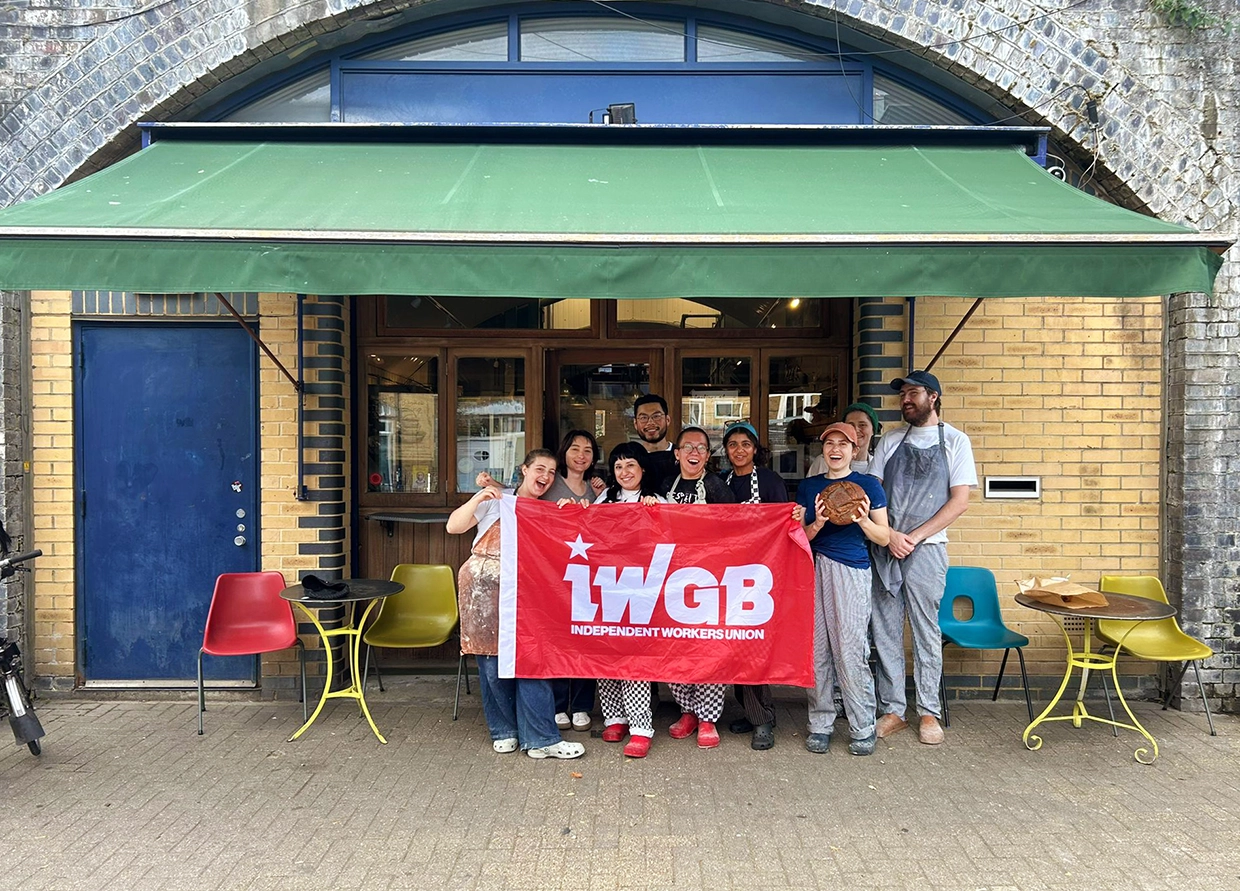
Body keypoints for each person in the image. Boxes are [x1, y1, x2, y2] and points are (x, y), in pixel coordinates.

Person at [446, 449, 585, 760]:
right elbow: (454, 527)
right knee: (491, 664)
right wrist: (479, 498)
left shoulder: (548, 509)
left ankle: (541, 738)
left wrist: (570, 514)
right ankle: (504, 730)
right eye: (540, 469)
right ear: (524, 470)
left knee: (533, 660)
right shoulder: (497, 499)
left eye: (551, 472)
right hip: (484, 591)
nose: (545, 476)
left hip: (529, 594)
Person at [869, 371, 977, 747]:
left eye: (912, 393)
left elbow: (959, 502)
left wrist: (913, 537)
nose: (905, 400)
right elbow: (873, 491)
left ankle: (929, 711)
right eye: (902, 394)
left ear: (933, 397)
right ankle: (894, 710)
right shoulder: (891, 440)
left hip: (927, 550)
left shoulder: (956, 441)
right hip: (886, 546)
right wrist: (889, 535)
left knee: (926, 631)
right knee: (885, 630)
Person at [796, 422, 890, 755]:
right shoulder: (809, 486)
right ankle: (820, 723)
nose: (835, 449)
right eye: (829, 444)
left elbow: (884, 537)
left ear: (855, 449)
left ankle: (862, 726)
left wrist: (862, 520)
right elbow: (801, 537)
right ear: (823, 449)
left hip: (851, 569)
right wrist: (819, 522)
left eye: (843, 444)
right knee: (816, 651)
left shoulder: (868, 485)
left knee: (850, 650)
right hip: (814, 568)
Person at [720, 421, 806, 751]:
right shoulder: (722, 482)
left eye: (745, 444)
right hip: (727, 573)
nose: (739, 450)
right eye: (732, 445)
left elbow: (781, 525)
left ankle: (763, 721)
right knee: (734, 646)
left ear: (756, 449)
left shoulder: (770, 481)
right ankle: (754, 711)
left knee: (752, 647)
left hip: (760, 576)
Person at [659, 426, 735, 748]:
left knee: (709, 647)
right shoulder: (666, 485)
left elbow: (737, 528)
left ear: (707, 456)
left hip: (709, 578)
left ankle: (708, 718)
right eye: (688, 447)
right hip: (673, 577)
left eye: (701, 448)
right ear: (677, 454)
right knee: (675, 646)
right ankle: (687, 710)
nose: (694, 452)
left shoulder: (717, 486)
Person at [593, 441, 665, 758]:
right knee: (606, 653)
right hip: (609, 587)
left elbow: (677, 539)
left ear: (643, 469)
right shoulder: (605, 499)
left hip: (643, 590)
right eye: (618, 466)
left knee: (635, 659)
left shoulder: (658, 499)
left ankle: (640, 728)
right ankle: (614, 718)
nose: (624, 472)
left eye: (630, 465)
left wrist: (658, 512)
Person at [545, 429, 605, 733]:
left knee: (586, 638)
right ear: (564, 452)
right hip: (553, 574)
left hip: (588, 576)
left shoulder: (598, 490)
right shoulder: (550, 483)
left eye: (587, 450)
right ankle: (558, 705)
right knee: (558, 638)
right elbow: (522, 499)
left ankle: (581, 705)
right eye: (575, 449)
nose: (581, 456)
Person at [808, 402, 882, 477]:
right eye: (850, 425)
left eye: (862, 425)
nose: (856, 430)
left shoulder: (879, 465)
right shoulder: (823, 462)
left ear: (873, 430)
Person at [632, 394, 678, 489]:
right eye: (643, 418)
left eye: (656, 416)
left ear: (667, 420)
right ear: (635, 424)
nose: (650, 423)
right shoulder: (631, 458)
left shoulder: (682, 456)